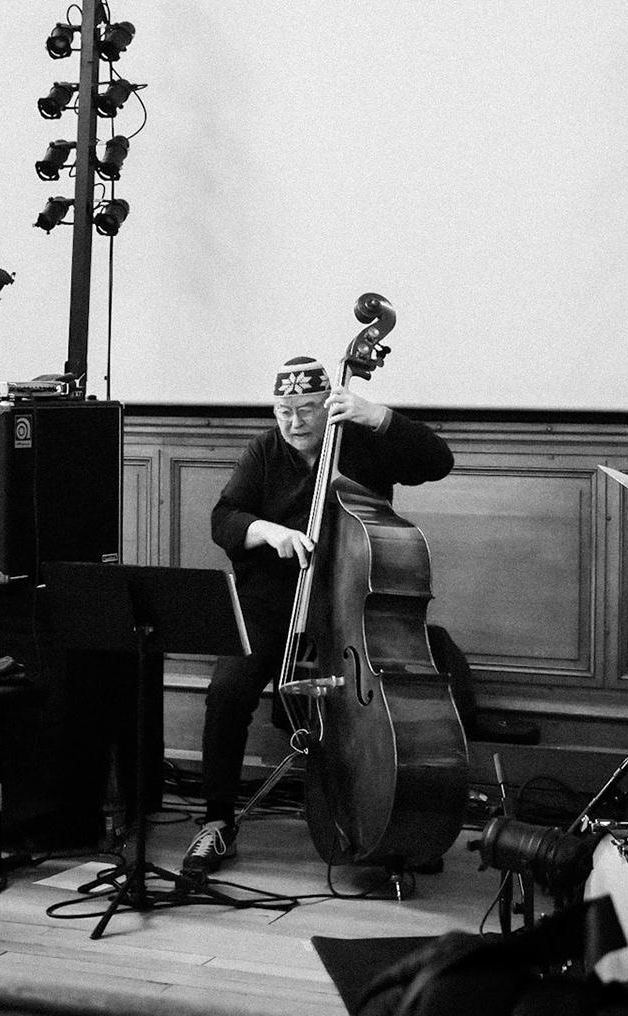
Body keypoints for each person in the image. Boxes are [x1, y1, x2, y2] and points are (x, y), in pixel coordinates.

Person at [183, 355, 454, 879]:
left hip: (354, 610)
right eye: (284, 410)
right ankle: (217, 823)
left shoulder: (362, 444)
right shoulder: (264, 451)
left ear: (329, 405)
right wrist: (270, 531)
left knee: (426, 677)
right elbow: (224, 519)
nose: (295, 422)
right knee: (228, 688)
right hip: (275, 607)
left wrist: (378, 416)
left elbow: (437, 461)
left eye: (307, 409)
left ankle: (403, 816)